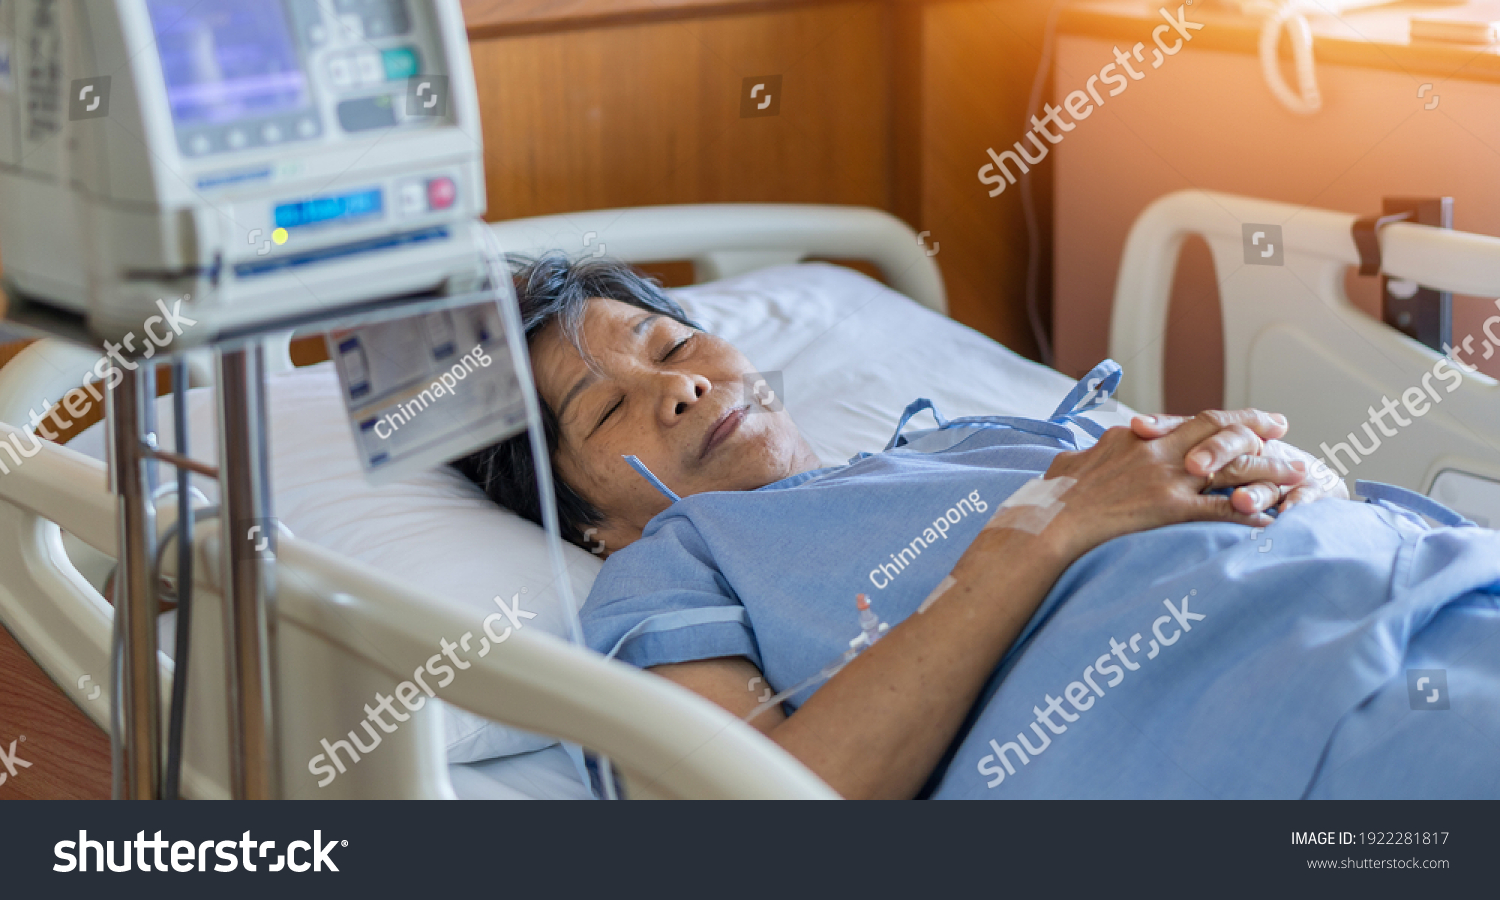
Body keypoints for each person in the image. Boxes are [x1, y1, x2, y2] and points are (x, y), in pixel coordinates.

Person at [455, 255, 1500, 800]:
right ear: (589, 523)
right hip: (1297, 719)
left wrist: (1309, 477)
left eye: (671, 341)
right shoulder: (670, 576)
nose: (677, 384)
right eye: (606, 409)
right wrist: (1043, 536)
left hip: (1438, 587)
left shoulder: (958, 439)